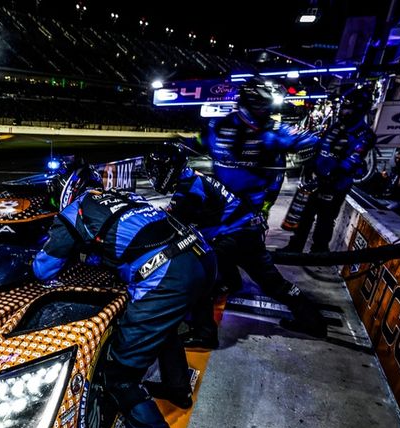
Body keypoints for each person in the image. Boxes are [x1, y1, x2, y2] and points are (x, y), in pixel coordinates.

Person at [33, 188, 217, 428]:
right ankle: (178, 390)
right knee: (163, 324)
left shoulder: (72, 213)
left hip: (168, 274)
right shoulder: (117, 198)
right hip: (201, 256)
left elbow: (43, 269)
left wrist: (55, 246)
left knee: (120, 378)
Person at [147, 143, 328, 347]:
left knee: (198, 275)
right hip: (246, 232)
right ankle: (314, 321)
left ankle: (204, 333)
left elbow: (168, 227)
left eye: (157, 170)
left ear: (169, 168)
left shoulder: (188, 188)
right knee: (273, 283)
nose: (155, 175)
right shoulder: (194, 177)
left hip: (237, 236)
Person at [204, 76, 318, 215]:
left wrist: (306, 145)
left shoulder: (274, 129)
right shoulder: (218, 124)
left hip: (253, 202)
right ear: (248, 102)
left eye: (266, 104)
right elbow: (196, 143)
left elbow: (306, 139)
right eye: (260, 104)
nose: (265, 109)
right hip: (218, 196)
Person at [282, 86, 376, 253]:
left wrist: (331, 178)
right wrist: (310, 164)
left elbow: (353, 160)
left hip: (335, 185)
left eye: (348, 109)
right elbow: (321, 147)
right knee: (304, 215)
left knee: (325, 220)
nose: (344, 112)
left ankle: (319, 251)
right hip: (316, 179)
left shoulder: (365, 134)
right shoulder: (335, 127)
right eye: (343, 108)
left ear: (359, 110)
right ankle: (294, 247)